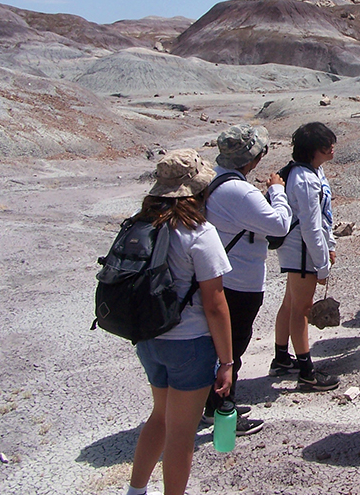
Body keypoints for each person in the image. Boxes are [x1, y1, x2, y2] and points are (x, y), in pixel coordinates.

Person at [126, 149, 234, 495]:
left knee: (159, 416)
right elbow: (215, 303)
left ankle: (136, 491)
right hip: (190, 344)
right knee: (181, 434)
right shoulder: (198, 232)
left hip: (150, 337)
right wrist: (228, 362)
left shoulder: (140, 222)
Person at [202, 124, 292, 436]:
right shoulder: (239, 191)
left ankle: (209, 406)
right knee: (232, 350)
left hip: (216, 275)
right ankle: (223, 420)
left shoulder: (213, 178)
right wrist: (277, 191)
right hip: (239, 281)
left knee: (217, 346)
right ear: (250, 159)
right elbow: (279, 225)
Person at [272, 122, 340, 391]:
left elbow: (323, 219)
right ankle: (306, 372)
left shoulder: (311, 172)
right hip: (302, 252)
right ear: (315, 150)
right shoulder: (305, 179)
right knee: (302, 309)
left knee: (290, 303)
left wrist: (330, 243)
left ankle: (281, 358)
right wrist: (322, 264)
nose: (333, 148)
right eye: (327, 144)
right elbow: (311, 226)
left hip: (299, 250)